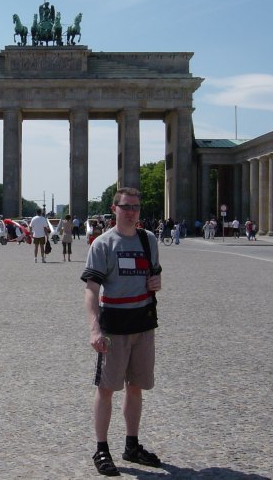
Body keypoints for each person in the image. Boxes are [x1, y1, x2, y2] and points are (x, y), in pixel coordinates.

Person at [81, 188, 162, 475]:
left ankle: (132, 445)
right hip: (114, 326)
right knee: (106, 389)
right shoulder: (102, 244)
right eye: (126, 207)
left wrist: (156, 282)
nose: (131, 212)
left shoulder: (148, 239)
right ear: (114, 208)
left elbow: (154, 274)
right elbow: (91, 289)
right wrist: (94, 329)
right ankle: (101, 448)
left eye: (136, 207)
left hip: (143, 323)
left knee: (136, 387)